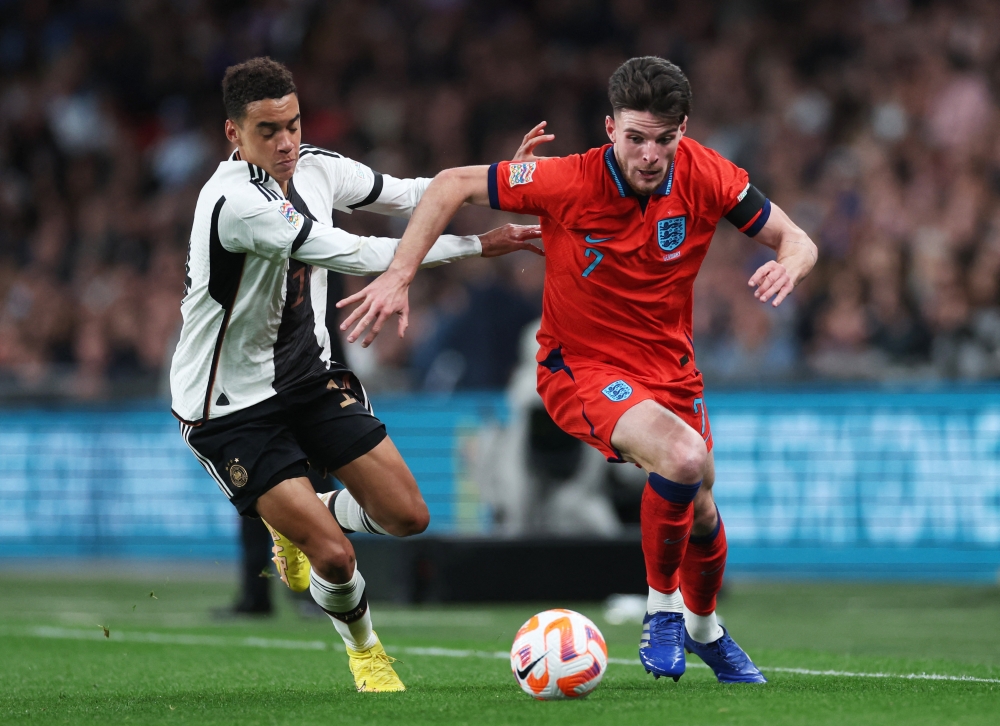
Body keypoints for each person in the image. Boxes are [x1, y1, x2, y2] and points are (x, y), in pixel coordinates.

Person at [338, 56, 818, 684]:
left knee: (700, 506)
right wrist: (399, 274)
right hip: (579, 365)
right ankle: (662, 612)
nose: (650, 155)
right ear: (610, 127)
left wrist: (791, 265)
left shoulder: (708, 174)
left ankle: (705, 628)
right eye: (635, 138)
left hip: (670, 368)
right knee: (682, 456)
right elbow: (451, 183)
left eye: (664, 140)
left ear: (684, 131)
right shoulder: (567, 180)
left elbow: (799, 240)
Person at [170, 57, 542, 692]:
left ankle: (303, 513)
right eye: (267, 131)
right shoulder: (235, 203)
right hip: (230, 407)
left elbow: (411, 193)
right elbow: (359, 252)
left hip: (307, 380)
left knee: (407, 517)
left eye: (291, 123)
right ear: (233, 135)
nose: (285, 142)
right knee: (336, 556)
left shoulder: (315, 166)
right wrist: (479, 243)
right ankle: (367, 653)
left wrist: (500, 183)